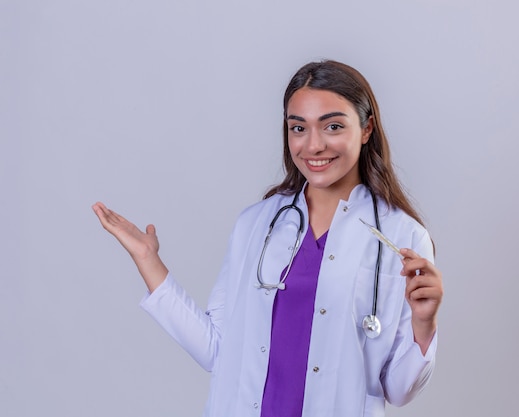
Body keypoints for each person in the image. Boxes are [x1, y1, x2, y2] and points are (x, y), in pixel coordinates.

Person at [92, 60, 443, 417]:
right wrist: (148, 261)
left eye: (333, 126)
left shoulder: (402, 236)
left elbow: (397, 391)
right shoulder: (257, 224)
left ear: (366, 129)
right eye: (298, 128)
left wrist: (423, 324)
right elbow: (217, 349)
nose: (314, 145)